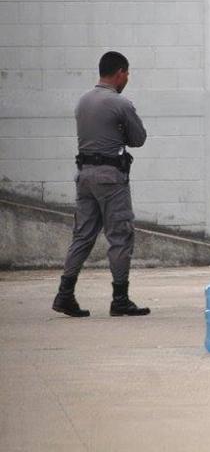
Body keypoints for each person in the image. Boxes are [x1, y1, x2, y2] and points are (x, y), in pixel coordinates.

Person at [53, 51, 150, 317]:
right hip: (110, 177)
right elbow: (138, 138)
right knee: (120, 235)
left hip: (84, 175)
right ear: (120, 72)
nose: (127, 78)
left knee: (83, 235)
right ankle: (120, 298)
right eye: (127, 73)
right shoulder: (120, 103)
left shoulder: (83, 101)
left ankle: (64, 294)